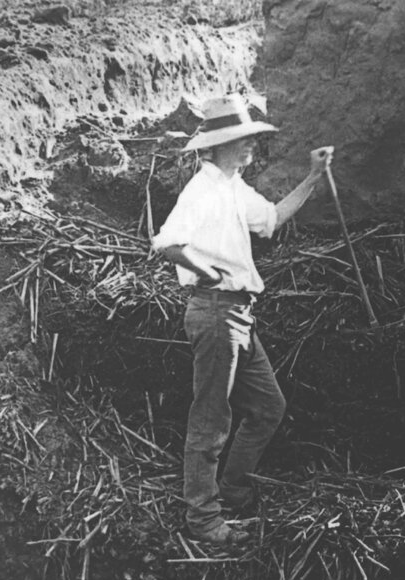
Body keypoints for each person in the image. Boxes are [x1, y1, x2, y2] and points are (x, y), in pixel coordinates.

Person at [152, 94, 332, 551]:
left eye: (251, 137)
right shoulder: (203, 189)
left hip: (238, 315)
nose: (251, 145)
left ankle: (232, 490)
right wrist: (209, 273)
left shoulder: (233, 187)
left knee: (269, 407)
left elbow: (270, 220)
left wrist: (313, 176)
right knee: (211, 421)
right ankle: (205, 521)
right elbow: (169, 243)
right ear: (216, 147)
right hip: (215, 312)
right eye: (241, 139)